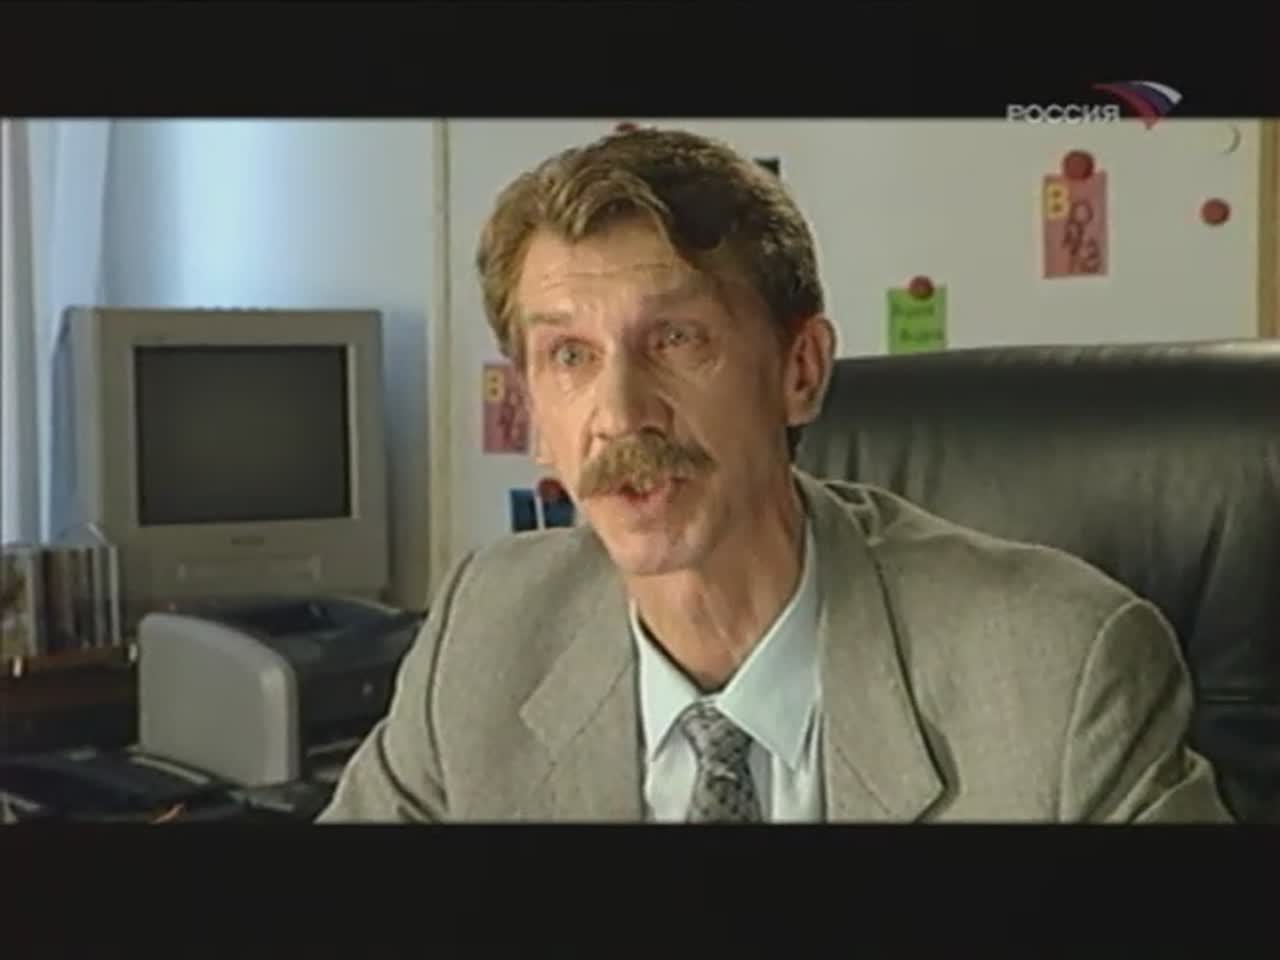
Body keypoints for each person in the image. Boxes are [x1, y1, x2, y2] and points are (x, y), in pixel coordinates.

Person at [317, 127, 1231, 823]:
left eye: (676, 338)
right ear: (534, 419)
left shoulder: (1060, 671)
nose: (620, 412)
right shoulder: (486, 631)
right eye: (569, 356)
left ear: (801, 371)